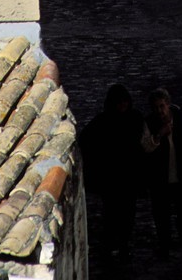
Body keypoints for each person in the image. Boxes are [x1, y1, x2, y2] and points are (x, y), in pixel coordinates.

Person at [79, 83, 145, 267]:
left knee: (128, 214)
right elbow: (85, 141)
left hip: (129, 177)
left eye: (124, 102)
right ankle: (109, 247)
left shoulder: (134, 118)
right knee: (112, 214)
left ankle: (123, 245)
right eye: (119, 103)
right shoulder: (104, 121)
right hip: (112, 179)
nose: (122, 106)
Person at [142, 86, 182, 256]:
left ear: (168, 104)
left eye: (162, 106)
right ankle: (164, 242)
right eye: (156, 107)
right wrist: (159, 135)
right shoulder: (149, 123)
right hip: (160, 177)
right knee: (161, 212)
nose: (159, 111)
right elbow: (145, 146)